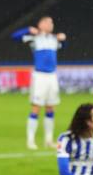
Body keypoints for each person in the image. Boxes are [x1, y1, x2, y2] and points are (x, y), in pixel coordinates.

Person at [11, 16, 66, 150]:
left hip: (52, 76)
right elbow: (14, 37)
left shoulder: (54, 39)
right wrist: (28, 29)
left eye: (52, 22)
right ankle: (30, 140)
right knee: (36, 107)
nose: (50, 24)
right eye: (47, 22)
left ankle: (48, 140)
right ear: (40, 24)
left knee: (50, 108)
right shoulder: (34, 38)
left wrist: (63, 39)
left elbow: (63, 45)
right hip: (40, 76)